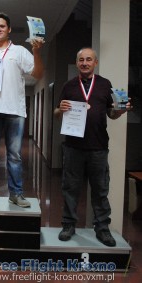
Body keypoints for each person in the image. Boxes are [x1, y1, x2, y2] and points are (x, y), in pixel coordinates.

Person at [54, 47, 131, 246]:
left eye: (89, 59)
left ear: (95, 62)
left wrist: (120, 112)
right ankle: (68, 225)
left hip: (98, 147)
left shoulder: (105, 85)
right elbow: (56, 112)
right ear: (77, 62)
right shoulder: (69, 85)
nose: (85, 63)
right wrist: (59, 109)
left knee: (100, 189)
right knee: (70, 188)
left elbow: (111, 114)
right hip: (72, 147)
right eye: (81, 60)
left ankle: (102, 229)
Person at [0, 12, 44, 208]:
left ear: (9, 29)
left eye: (2, 26)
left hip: (15, 109)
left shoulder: (20, 51)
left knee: (14, 155)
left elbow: (37, 74)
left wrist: (36, 52)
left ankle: (16, 193)